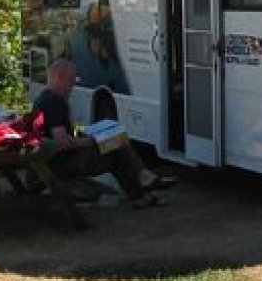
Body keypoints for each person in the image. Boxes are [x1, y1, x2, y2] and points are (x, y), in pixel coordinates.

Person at [33, 58, 174, 206]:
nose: (73, 85)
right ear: (59, 76)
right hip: (61, 164)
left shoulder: (47, 99)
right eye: (71, 79)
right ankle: (142, 185)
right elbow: (61, 142)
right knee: (114, 147)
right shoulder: (53, 101)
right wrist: (89, 141)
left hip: (56, 160)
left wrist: (84, 133)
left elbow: (62, 133)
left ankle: (142, 185)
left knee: (113, 137)